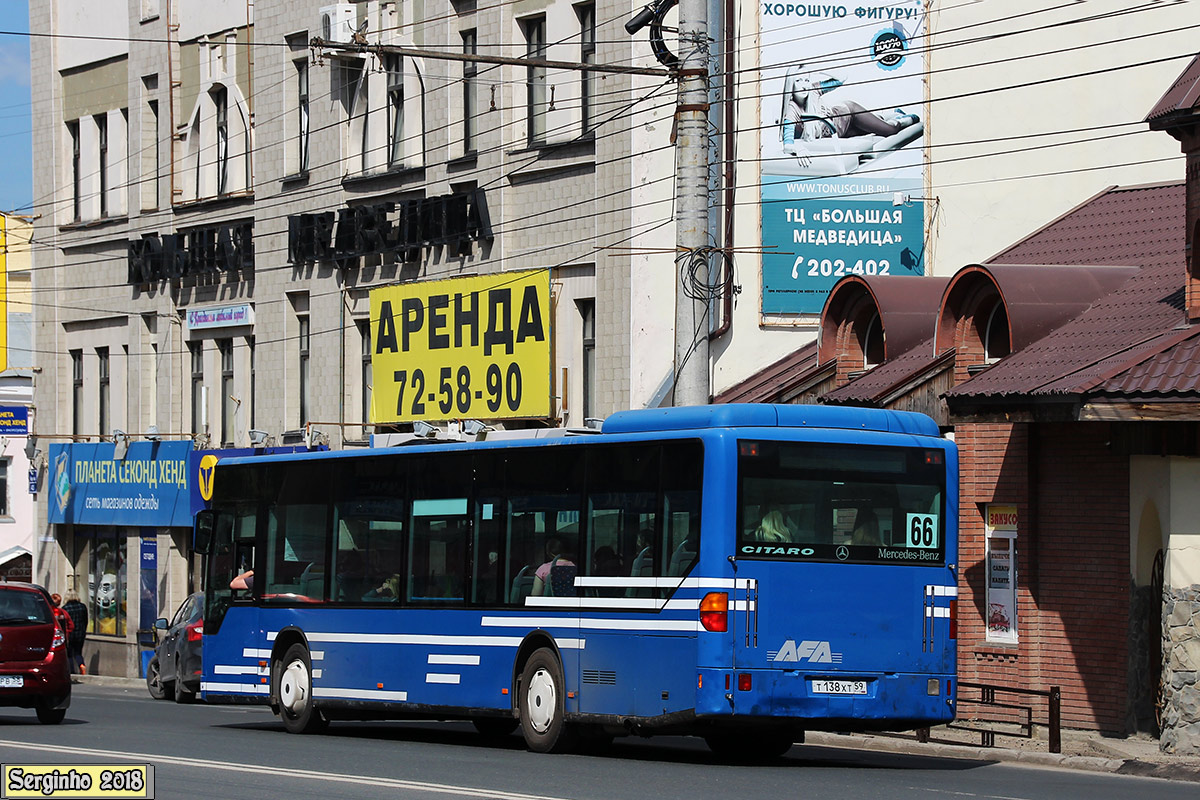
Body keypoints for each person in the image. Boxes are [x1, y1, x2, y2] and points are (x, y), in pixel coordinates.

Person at [781, 66, 919, 154]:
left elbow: (842, 78)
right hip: (841, 132)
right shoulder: (793, 108)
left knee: (890, 130)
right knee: (873, 129)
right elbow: (787, 143)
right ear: (791, 85)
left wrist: (820, 68)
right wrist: (797, 149)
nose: (804, 86)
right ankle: (890, 114)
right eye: (798, 81)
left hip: (848, 113)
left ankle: (904, 119)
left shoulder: (814, 90)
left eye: (806, 80)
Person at [62, 591, 89, 675]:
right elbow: (85, 620)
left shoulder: (65, 608)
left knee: (69, 654)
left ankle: (72, 671)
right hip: (80, 633)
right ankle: (81, 665)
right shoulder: (82, 607)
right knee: (78, 652)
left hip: (70, 634)